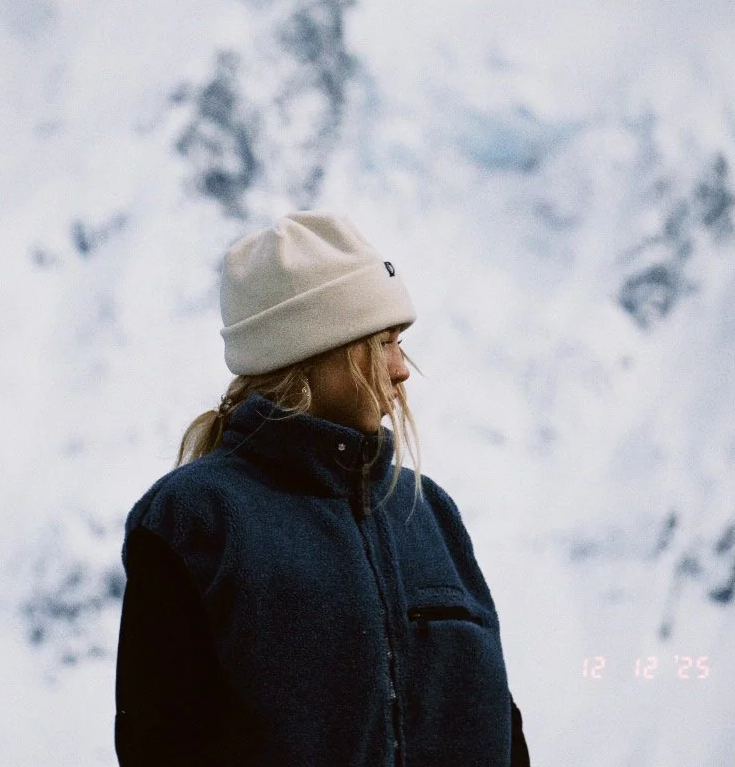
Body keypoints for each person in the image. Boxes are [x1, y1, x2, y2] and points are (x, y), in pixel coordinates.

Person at [115, 211, 530, 766]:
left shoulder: (429, 512)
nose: (401, 369)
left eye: (400, 342)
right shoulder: (195, 521)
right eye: (382, 342)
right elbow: (159, 746)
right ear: (313, 351)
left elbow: (507, 733)